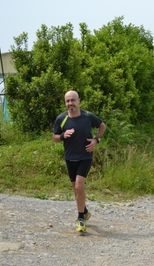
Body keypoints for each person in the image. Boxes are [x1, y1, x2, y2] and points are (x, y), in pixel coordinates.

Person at [53, 90, 106, 232]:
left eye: (73, 100)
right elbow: (55, 138)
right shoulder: (61, 119)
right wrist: (63, 136)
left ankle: (81, 218)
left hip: (85, 156)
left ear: (79, 101)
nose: (70, 103)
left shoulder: (88, 116)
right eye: (67, 101)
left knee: (78, 187)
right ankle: (85, 211)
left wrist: (96, 140)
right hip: (70, 158)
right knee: (76, 189)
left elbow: (102, 126)